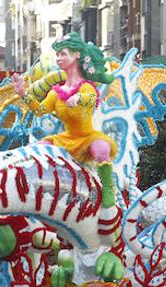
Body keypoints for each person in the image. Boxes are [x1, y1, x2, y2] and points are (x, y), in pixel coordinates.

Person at [11, 32, 119, 200]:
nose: (59, 58)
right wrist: (23, 93)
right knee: (36, 150)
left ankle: (108, 191)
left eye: (63, 54)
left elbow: (91, 98)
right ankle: (32, 191)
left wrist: (78, 98)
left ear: (77, 55)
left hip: (87, 137)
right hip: (66, 138)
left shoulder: (86, 87)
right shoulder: (56, 92)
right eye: (57, 55)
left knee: (102, 148)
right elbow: (40, 110)